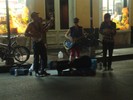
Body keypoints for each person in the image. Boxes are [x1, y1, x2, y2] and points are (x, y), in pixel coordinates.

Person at [25, 12, 52, 77]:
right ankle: (36, 72)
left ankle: (43, 70)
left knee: (44, 57)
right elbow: (25, 33)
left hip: (41, 42)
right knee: (36, 58)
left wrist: (49, 26)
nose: (38, 17)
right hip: (36, 42)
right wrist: (33, 35)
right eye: (36, 16)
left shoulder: (39, 24)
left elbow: (43, 31)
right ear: (33, 17)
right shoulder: (30, 24)